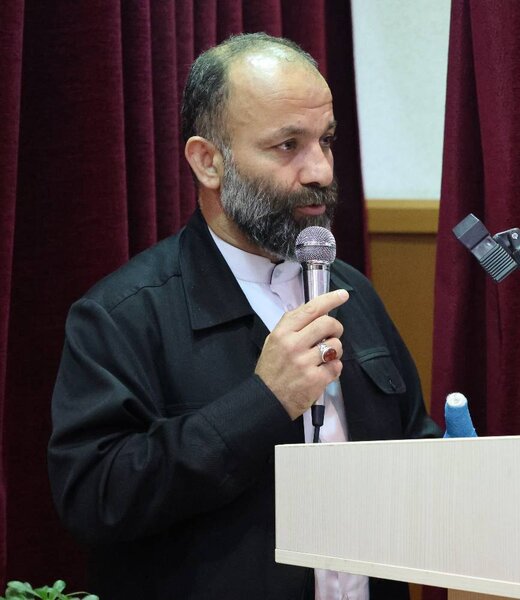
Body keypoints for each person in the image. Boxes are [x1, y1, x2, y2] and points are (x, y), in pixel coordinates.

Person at [47, 32, 440, 599]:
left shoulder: (352, 293)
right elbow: (95, 499)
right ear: (208, 162)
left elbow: (409, 446)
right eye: (288, 146)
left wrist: (456, 464)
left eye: (326, 141)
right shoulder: (123, 316)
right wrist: (264, 401)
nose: (320, 171)